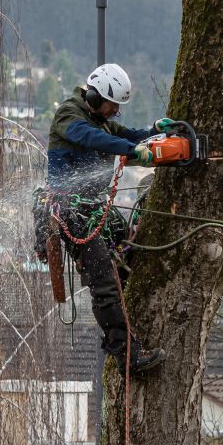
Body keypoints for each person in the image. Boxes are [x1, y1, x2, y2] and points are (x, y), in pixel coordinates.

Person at [40, 62, 175, 373]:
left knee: (127, 246)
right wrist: (132, 151)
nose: (114, 113)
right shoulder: (70, 116)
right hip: (71, 212)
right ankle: (127, 355)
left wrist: (152, 132)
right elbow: (93, 139)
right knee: (103, 278)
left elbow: (125, 133)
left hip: (94, 208)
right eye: (112, 106)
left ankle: (125, 305)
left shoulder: (98, 117)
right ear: (95, 97)